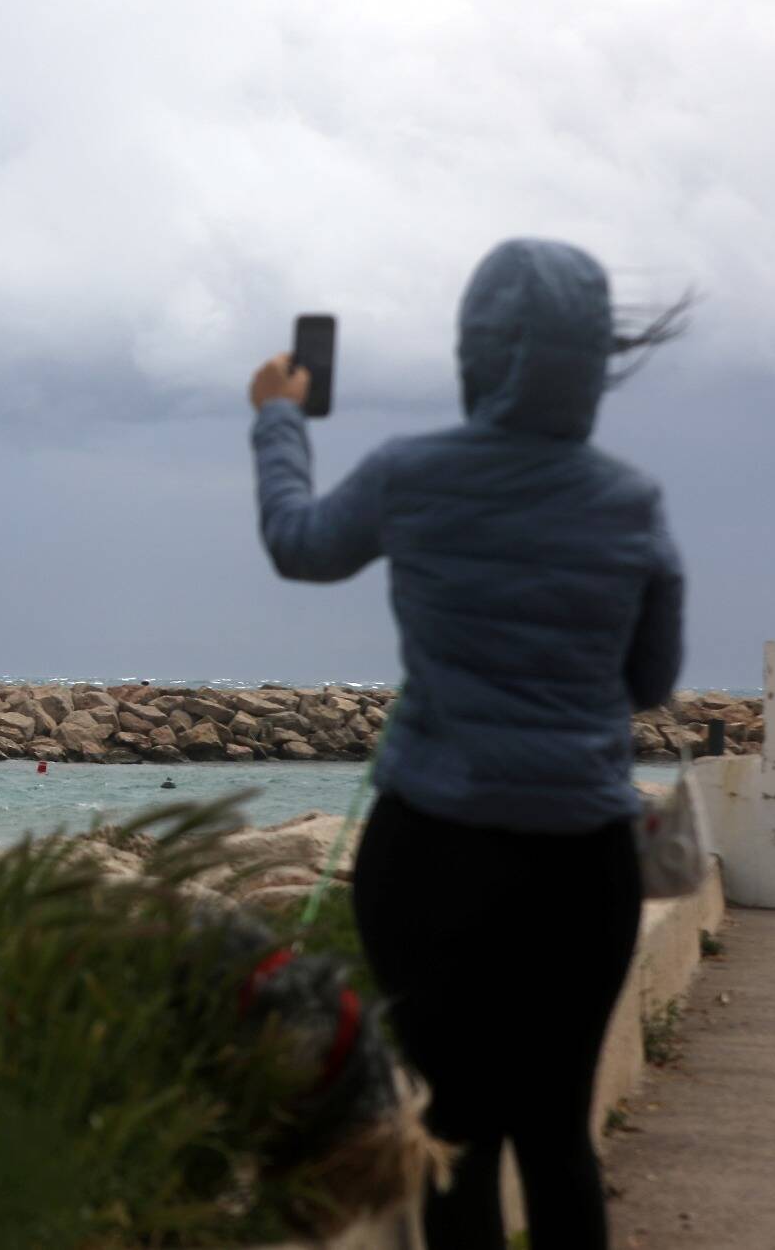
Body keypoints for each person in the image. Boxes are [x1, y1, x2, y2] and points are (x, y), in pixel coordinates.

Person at [246, 238, 686, 1249]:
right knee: (557, 1137)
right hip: (580, 866)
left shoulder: (411, 472)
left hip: (431, 853)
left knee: (454, 1134)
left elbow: (298, 544)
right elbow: (650, 682)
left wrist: (277, 416)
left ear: (475, 351)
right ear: (590, 359)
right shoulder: (630, 501)